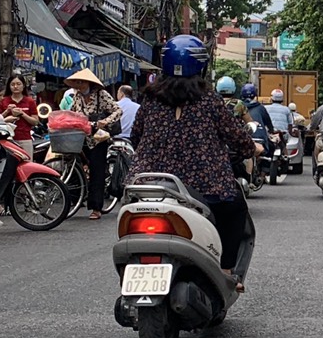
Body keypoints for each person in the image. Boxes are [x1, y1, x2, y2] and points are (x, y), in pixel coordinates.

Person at [129, 35, 258, 290]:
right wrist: (251, 148)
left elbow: (136, 137)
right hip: (204, 188)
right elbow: (239, 139)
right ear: (201, 67)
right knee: (235, 210)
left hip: (151, 186)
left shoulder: (151, 100)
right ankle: (225, 269)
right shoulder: (210, 102)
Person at [65, 68, 122, 221]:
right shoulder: (77, 96)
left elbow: (117, 111)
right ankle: (73, 198)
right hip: (82, 136)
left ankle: (96, 207)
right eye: (77, 82)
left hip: (98, 138)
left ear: (88, 82)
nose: (79, 85)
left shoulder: (100, 94)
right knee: (72, 161)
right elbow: (72, 112)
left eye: (81, 82)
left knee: (97, 171)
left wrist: (105, 122)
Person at [1, 73, 39, 157]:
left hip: (25, 138)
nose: (15, 87)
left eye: (18, 84)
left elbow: (35, 122)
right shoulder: (3, 101)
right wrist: (7, 111)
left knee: (27, 164)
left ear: (24, 85)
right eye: (13, 84)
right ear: (9, 86)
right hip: (7, 139)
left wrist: (22, 114)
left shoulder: (30, 101)